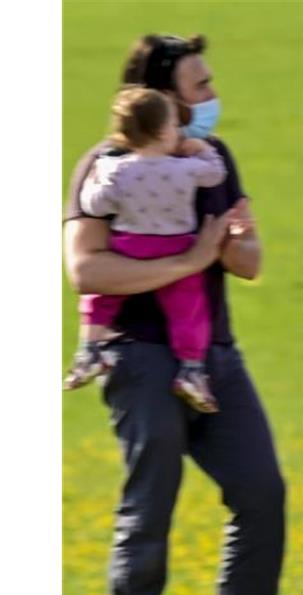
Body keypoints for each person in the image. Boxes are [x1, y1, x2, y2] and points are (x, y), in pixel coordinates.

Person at [63, 34, 285, 595]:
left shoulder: (213, 157)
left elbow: (250, 259)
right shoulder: (104, 165)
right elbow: (86, 270)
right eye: (201, 85)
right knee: (151, 498)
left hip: (214, 352)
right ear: (163, 98)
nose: (212, 96)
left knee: (262, 489)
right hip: (138, 354)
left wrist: (234, 245)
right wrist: (189, 263)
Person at [65, 86, 228, 413]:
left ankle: (90, 351)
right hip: (177, 244)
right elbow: (216, 174)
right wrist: (200, 150)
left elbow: (93, 204)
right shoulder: (184, 168)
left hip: (130, 245)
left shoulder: (117, 169)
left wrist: (97, 176)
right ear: (164, 130)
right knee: (188, 310)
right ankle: (191, 370)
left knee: (101, 298)